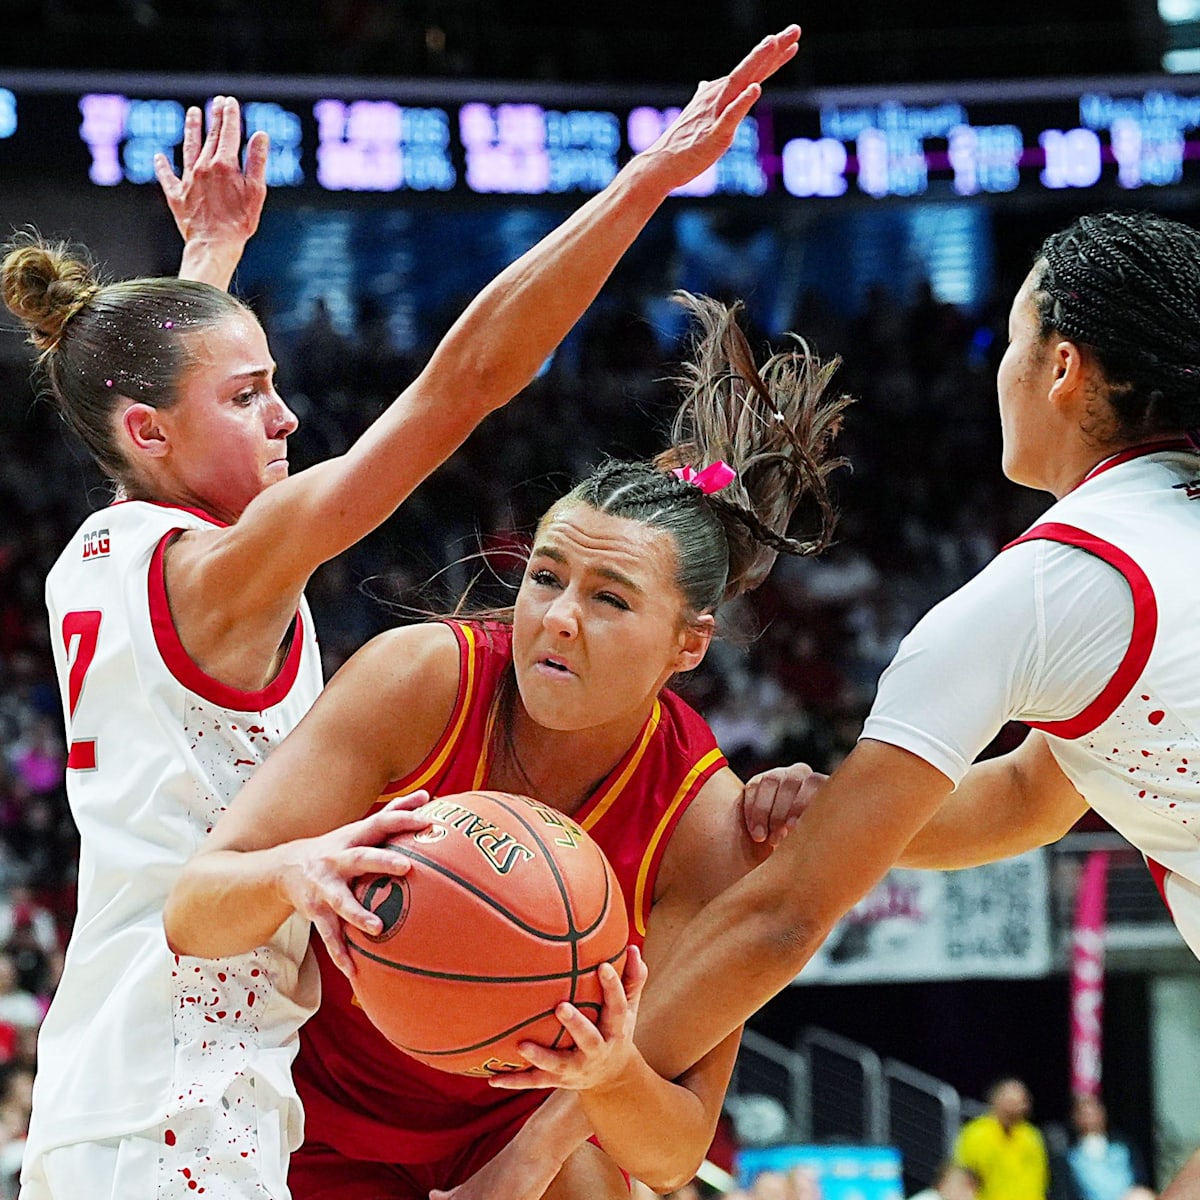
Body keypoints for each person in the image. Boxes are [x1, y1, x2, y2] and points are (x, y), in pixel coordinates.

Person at [3, 25, 803, 1198]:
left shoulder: (103, 550)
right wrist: (640, 185)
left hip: (112, 1067)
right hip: (190, 1082)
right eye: (251, 394)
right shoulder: (238, 568)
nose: (285, 421)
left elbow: (150, 419)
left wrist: (207, 259)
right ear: (151, 428)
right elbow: (461, 387)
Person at [466, 209, 1200, 1199]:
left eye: (1013, 339)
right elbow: (1033, 797)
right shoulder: (1139, 558)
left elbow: (788, 914)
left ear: (1061, 368)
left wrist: (533, 1150)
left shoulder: (1040, 591)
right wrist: (855, 815)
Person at [163, 289, 850, 1197]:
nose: (558, 620)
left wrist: (599, 1087)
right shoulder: (422, 679)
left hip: (513, 1129)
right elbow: (195, 910)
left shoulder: (704, 822)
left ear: (691, 643)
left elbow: (675, 1146)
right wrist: (298, 869)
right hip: (302, 1102)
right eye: (546, 578)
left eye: (610, 599)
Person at [954, 1079, 1048, 1200]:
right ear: (995, 1101)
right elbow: (964, 1179)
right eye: (1010, 1102)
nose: (1014, 1109)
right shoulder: (976, 1134)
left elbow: (1040, 1182)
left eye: (1019, 1103)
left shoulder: (1032, 1137)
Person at [1060, 1094, 1148, 1200]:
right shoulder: (1070, 1158)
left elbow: (1140, 1181)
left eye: (1093, 1111)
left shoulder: (1123, 1148)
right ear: (1074, 1118)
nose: (1089, 1117)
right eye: (1083, 1113)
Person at [910, 1162, 981, 1200]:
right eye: (958, 1184)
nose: (963, 1192)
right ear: (941, 1185)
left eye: (968, 1187)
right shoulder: (929, 1197)